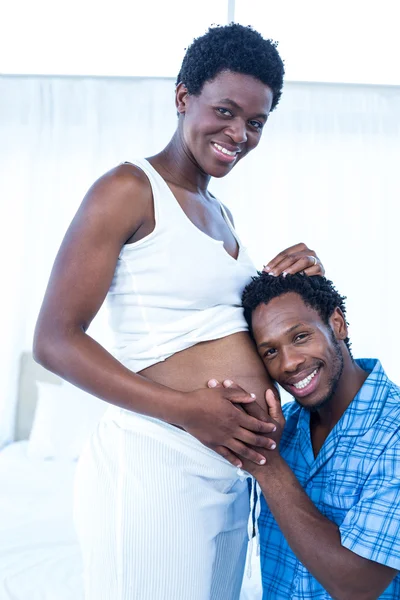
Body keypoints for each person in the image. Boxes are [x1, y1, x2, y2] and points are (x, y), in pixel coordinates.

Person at [33, 24, 324, 600]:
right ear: (182, 96)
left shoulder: (223, 214)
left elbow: (222, 331)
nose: (238, 133)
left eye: (256, 122)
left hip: (227, 477)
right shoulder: (129, 188)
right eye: (225, 110)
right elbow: (55, 340)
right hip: (154, 462)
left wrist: (302, 280)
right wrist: (187, 411)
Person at [215, 272, 400, 599]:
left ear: (338, 324)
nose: (288, 364)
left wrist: (267, 467)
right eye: (270, 351)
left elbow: (356, 586)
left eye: (300, 337)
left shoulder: (393, 430)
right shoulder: (281, 426)